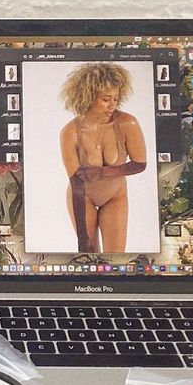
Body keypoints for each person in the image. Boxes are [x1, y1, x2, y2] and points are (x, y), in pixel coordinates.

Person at [59, 62, 147, 253]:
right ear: (88, 97)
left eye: (116, 98)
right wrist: (83, 237)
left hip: (115, 196)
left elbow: (140, 164)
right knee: (89, 255)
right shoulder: (70, 132)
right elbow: (76, 183)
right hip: (83, 197)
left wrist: (101, 172)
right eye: (106, 99)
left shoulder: (128, 123)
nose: (112, 105)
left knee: (115, 259)